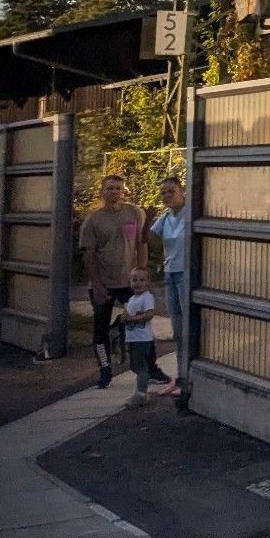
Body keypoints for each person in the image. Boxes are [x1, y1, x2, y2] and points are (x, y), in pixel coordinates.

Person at [79, 174, 146, 389]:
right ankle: (105, 370)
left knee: (140, 323)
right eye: (110, 188)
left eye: (118, 188)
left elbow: (141, 244)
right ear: (103, 191)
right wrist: (97, 284)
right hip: (103, 283)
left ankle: (146, 366)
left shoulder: (134, 213)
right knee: (100, 329)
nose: (115, 192)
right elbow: (88, 255)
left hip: (128, 282)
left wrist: (142, 273)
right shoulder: (93, 221)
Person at [149, 176, 190, 398]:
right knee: (177, 329)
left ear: (182, 191)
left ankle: (188, 377)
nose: (166, 196)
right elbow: (151, 237)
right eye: (163, 192)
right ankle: (180, 375)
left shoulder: (189, 213)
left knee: (186, 327)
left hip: (185, 273)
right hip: (170, 272)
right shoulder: (166, 217)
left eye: (171, 191)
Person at [114, 266, 172, 408]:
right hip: (133, 338)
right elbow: (127, 316)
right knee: (135, 366)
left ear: (147, 282)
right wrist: (123, 318)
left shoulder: (147, 297)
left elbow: (150, 314)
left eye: (141, 279)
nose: (137, 283)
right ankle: (144, 385)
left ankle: (140, 394)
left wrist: (133, 318)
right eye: (134, 280)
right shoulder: (131, 299)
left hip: (142, 339)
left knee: (141, 367)